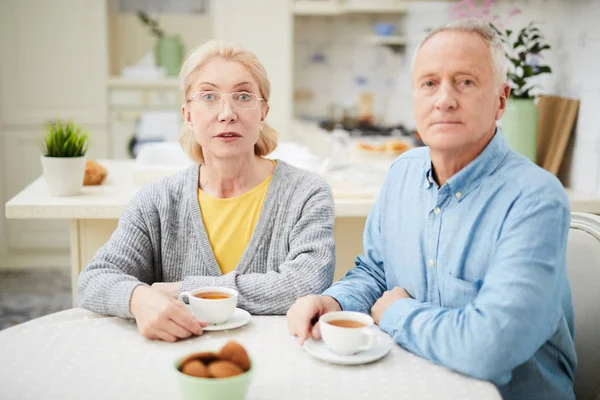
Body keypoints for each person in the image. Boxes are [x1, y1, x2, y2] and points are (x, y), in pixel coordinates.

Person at [287, 19, 576, 400]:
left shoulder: (535, 199)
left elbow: (488, 348)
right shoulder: (402, 173)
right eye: (429, 83)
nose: (444, 99)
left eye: (465, 82)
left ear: (501, 100)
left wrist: (396, 314)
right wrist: (333, 301)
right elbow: (376, 273)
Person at [77, 40, 335, 342]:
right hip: (178, 364)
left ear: (263, 112)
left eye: (243, 96)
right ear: (188, 115)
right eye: (209, 96)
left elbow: (306, 284)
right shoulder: (157, 201)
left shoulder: (307, 194)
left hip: (281, 361)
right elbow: (93, 279)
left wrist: (181, 290)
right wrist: (137, 297)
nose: (227, 113)